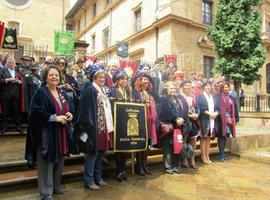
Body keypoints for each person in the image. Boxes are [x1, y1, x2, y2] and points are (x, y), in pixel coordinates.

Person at [26, 65, 73, 199]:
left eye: (57, 75)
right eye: (51, 75)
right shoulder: (41, 92)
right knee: (46, 163)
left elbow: (68, 107)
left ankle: (56, 186)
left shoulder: (62, 92)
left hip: (61, 133)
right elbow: (35, 113)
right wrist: (54, 118)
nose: (54, 77)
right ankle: (46, 192)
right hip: (46, 134)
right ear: (46, 77)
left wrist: (70, 114)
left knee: (59, 160)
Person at [76, 64, 113, 190]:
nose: (102, 79)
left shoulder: (102, 90)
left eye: (103, 77)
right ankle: (89, 180)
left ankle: (98, 177)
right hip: (93, 128)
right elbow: (85, 111)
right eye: (100, 77)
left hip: (102, 127)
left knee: (99, 153)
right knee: (92, 154)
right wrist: (87, 129)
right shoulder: (90, 90)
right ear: (94, 77)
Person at [158, 81, 186, 174]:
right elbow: (165, 112)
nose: (173, 90)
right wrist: (176, 118)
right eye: (171, 88)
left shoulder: (179, 99)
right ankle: (168, 166)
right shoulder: (163, 99)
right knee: (168, 147)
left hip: (179, 126)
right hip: (169, 127)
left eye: (174, 88)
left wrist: (182, 118)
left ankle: (176, 166)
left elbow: (185, 110)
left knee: (177, 146)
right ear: (166, 89)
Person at [133, 72, 158, 176]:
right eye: (144, 79)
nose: (146, 81)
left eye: (147, 80)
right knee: (141, 145)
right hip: (141, 121)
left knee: (147, 145)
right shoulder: (136, 93)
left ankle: (144, 165)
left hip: (149, 122)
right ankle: (139, 167)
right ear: (139, 81)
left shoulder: (150, 93)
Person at [109, 69, 131, 181]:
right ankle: (118, 171)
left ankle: (123, 170)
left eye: (126, 79)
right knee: (119, 148)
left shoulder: (129, 91)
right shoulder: (113, 91)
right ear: (117, 81)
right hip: (117, 122)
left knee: (126, 147)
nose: (125, 81)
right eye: (122, 79)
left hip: (128, 122)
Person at [215, 82, 239, 162]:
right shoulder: (217, 96)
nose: (227, 89)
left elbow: (235, 107)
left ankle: (222, 152)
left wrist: (236, 117)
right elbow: (216, 107)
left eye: (228, 87)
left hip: (229, 119)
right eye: (225, 87)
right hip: (221, 119)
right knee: (222, 136)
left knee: (226, 136)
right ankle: (221, 154)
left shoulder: (231, 97)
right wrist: (221, 114)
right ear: (222, 88)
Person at [0, 57, 24, 134]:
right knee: (5, 112)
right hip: (5, 95)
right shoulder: (3, 71)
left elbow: (22, 81)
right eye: (9, 62)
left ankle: (18, 127)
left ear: (15, 64)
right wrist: (7, 80)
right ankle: (3, 128)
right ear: (7, 63)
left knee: (16, 112)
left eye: (13, 62)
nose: (11, 63)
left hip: (16, 95)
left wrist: (19, 81)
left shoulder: (18, 72)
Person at [179, 80, 199, 169]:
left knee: (193, 140)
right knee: (184, 140)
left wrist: (197, 114)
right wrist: (189, 115)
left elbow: (197, 107)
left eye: (189, 86)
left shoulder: (193, 97)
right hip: (185, 122)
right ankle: (184, 159)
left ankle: (192, 159)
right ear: (182, 87)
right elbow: (179, 110)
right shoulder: (179, 97)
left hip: (193, 122)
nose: (187, 87)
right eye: (185, 85)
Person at [197, 81, 218, 164]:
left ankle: (207, 155)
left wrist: (216, 113)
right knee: (204, 137)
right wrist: (210, 113)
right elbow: (201, 108)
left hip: (212, 119)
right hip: (204, 120)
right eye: (206, 87)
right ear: (203, 88)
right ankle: (203, 156)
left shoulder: (213, 97)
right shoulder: (200, 97)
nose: (208, 89)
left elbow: (217, 107)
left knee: (209, 138)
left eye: (209, 87)